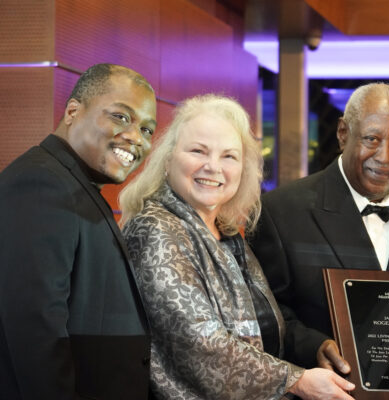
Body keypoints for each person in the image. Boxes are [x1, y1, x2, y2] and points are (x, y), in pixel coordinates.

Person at [119, 94, 355, 400]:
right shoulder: (155, 229)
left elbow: (265, 329)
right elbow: (201, 345)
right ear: (168, 160)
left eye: (229, 156)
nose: (213, 166)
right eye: (197, 151)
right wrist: (297, 380)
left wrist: (315, 347)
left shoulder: (228, 235)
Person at [248, 82, 389, 370]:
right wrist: (312, 346)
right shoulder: (281, 211)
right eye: (371, 139)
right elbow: (263, 311)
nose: (384, 157)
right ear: (343, 134)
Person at [0, 63, 157, 399]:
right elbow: (35, 329)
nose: (135, 138)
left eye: (147, 130)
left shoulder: (73, 183)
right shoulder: (41, 183)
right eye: (121, 117)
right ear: (72, 111)